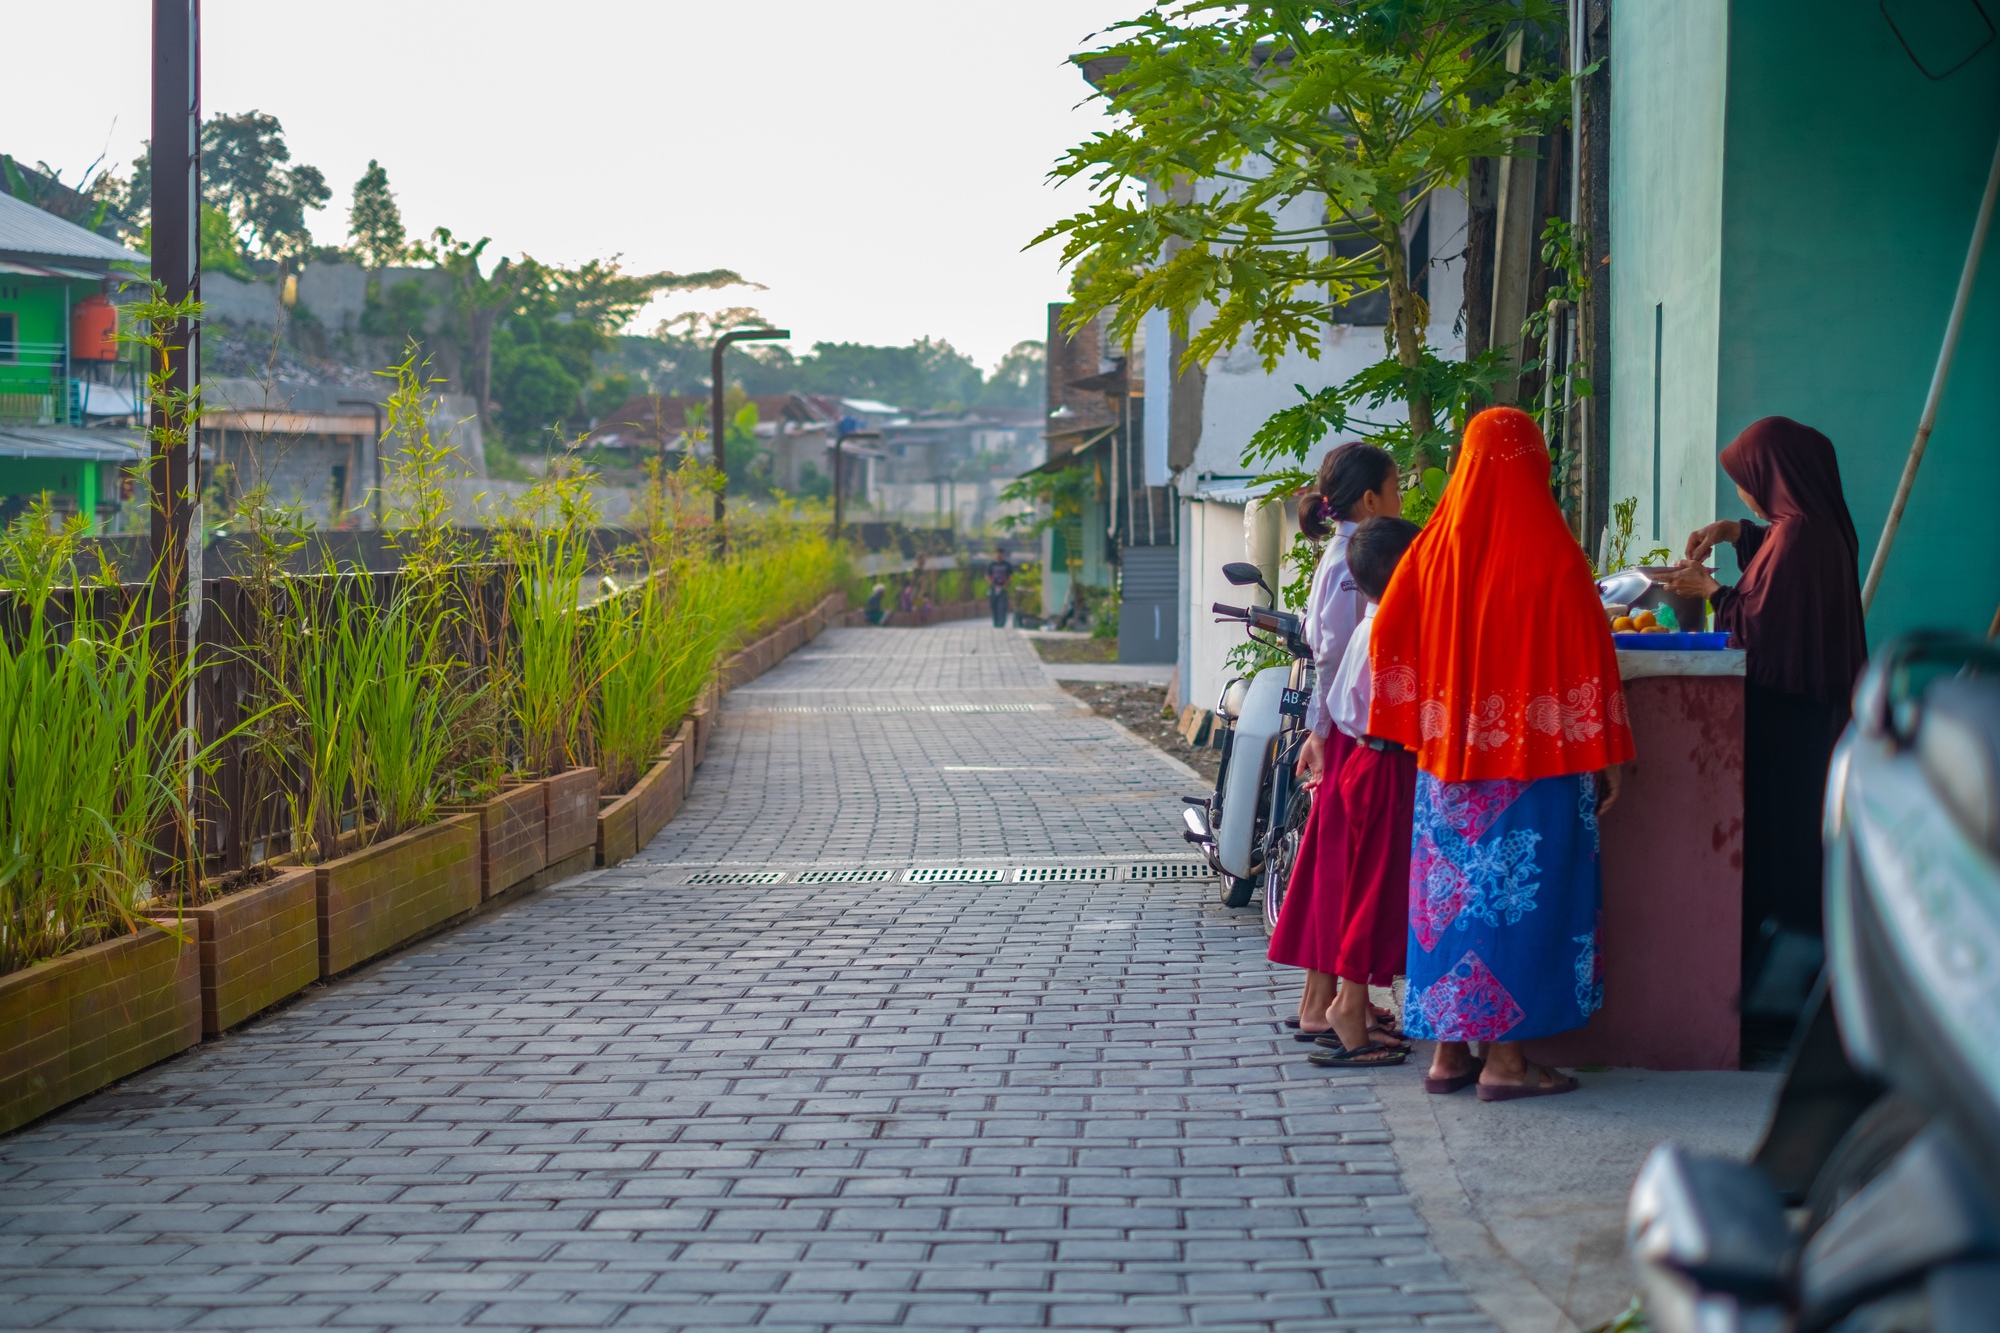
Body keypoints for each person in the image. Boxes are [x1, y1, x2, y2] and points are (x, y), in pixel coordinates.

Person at [1370, 406, 1634, 1100]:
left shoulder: (1432, 548)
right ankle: (1508, 1063)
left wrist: (1426, 716)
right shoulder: (1552, 552)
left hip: (1448, 772)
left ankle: (1449, 1054)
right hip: (1536, 771)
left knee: (1450, 906)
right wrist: (1606, 752)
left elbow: (1386, 631)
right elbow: (1589, 652)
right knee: (1519, 904)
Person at [1659, 417, 1867, 993]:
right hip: (1808, 713)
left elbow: (1765, 626)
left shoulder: (1799, 535)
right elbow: (1777, 572)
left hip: (1787, 717)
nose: (1744, 493)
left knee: (1783, 847)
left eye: (1746, 481)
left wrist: (1712, 594)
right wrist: (1734, 533)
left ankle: (1777, 989)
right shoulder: (1814, 526)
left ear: (1776, 474)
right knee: (1798, 842)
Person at [1267, 442, 1401, 1041]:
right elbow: (1332, 656)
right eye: (1395, 490)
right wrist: (1321, 735)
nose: (1400, 503)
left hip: (1346, 726)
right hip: (1354, 730)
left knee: (1335, 862)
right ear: (1370, 499)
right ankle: (1326, 1001)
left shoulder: (1344, 551)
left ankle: (1327, 997)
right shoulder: (1354, 560)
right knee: (1342, 866)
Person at [1307, 514, 1423, 1068]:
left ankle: (1349, 1003)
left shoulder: (1371, 623)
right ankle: (1348, 1008)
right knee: (1373, 893)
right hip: (1384, 767)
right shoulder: (1393, 629)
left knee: (1365, 889)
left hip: (1367, 765)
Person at [986, 549, 1014, 627]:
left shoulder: (1007, 565)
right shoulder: (991, 565)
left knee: (1002, 606)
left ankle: (1001, 622)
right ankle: (995, 622)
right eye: (997, 554)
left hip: (1003, 589)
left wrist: (1005, 585)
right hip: (993, 588)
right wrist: (991, 583)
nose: (999, 556)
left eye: (1000, 555)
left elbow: (1010, 576)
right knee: (993, 605)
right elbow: (987, 575)